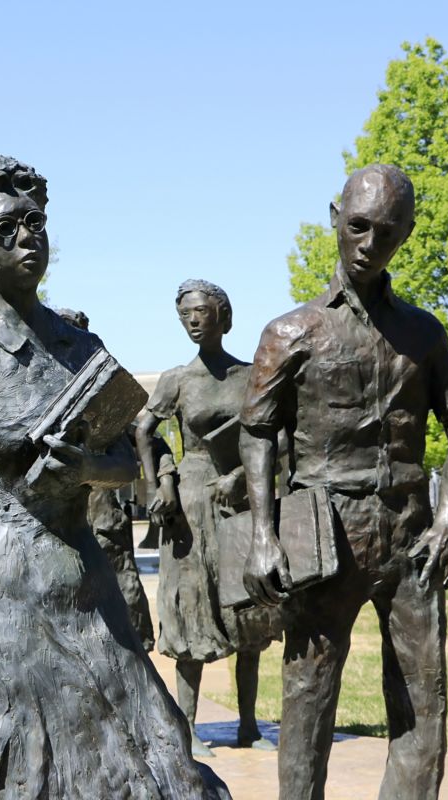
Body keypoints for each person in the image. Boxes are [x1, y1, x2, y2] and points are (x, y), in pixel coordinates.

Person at [0, 154, 230, 799]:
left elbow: (123, 465)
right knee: (12, 768)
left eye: (36, 223)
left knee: (152, 759)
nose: (28, 238)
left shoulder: (83, 352)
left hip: (84, 583)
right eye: (7, 230)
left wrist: (89, 467)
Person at [240, 165, 448, 800]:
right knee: (309, 694)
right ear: (335, 218)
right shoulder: (291, 332)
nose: (371, 243)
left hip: (411, 535)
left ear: (407, 234)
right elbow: (257, 432)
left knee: (423, 699)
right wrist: (264, 535)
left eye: (389, 231)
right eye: (359, 226)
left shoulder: (423, 333)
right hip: (325, 530)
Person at [135, 279, 281, 757]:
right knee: (191, 610)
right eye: (185, 315)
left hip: (238, 499)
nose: (194, 321)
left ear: (223, 315)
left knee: (248, 612)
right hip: (192, 506)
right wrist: (160, 482)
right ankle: (189, 730)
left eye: (201, 312)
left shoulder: (248, 376)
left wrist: (241, 476)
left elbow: (274, 438)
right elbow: (144, 430)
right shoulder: (178, 379)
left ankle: (248, 725)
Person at [57, 307, 154, 650]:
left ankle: (133, 644)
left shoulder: (105, 392)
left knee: (121, 584)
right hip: (59, 517)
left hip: (103, 513)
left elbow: (145, 440)